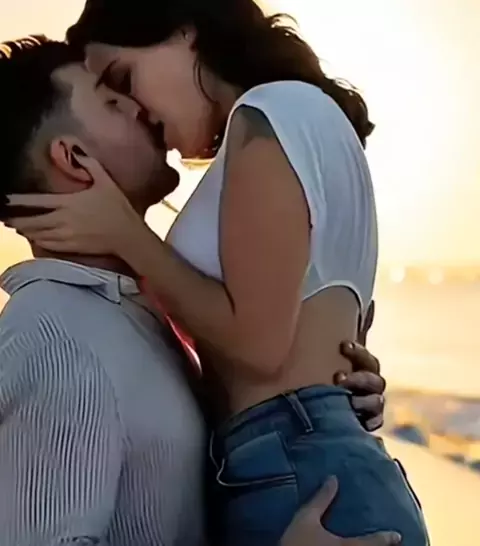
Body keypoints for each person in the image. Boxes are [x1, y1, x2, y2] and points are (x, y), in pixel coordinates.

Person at [5, 2, 431, 545]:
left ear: (186, 33)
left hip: (311, 475)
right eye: (114, 97)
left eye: (125, 82)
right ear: (72, 158)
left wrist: (331, 395)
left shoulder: (271, 113)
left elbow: (263, 348)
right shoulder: (58, 334)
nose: (138, 110)